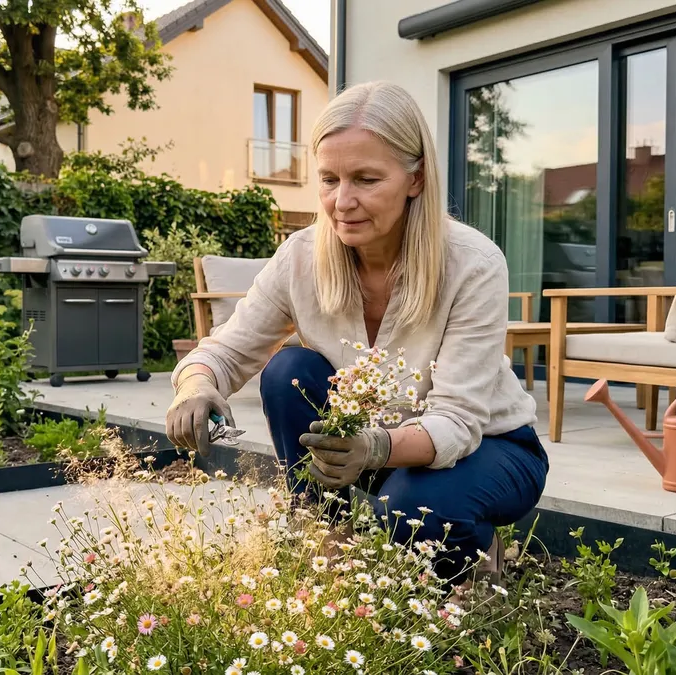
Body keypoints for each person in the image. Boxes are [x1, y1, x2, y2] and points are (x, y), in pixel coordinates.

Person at [164, 81, 548, 585]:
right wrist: (195, 386)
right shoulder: (302, 257)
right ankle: (325, 539)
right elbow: (227, 350)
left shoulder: (472, 263)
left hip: (489, 447)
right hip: (369, 443)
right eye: (329, 179)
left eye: (366, 179)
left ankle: (475, 560)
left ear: (416, 179)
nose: (342, 202)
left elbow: (457, 421)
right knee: (289, 370)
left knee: (411, 510)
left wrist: (374, 449)